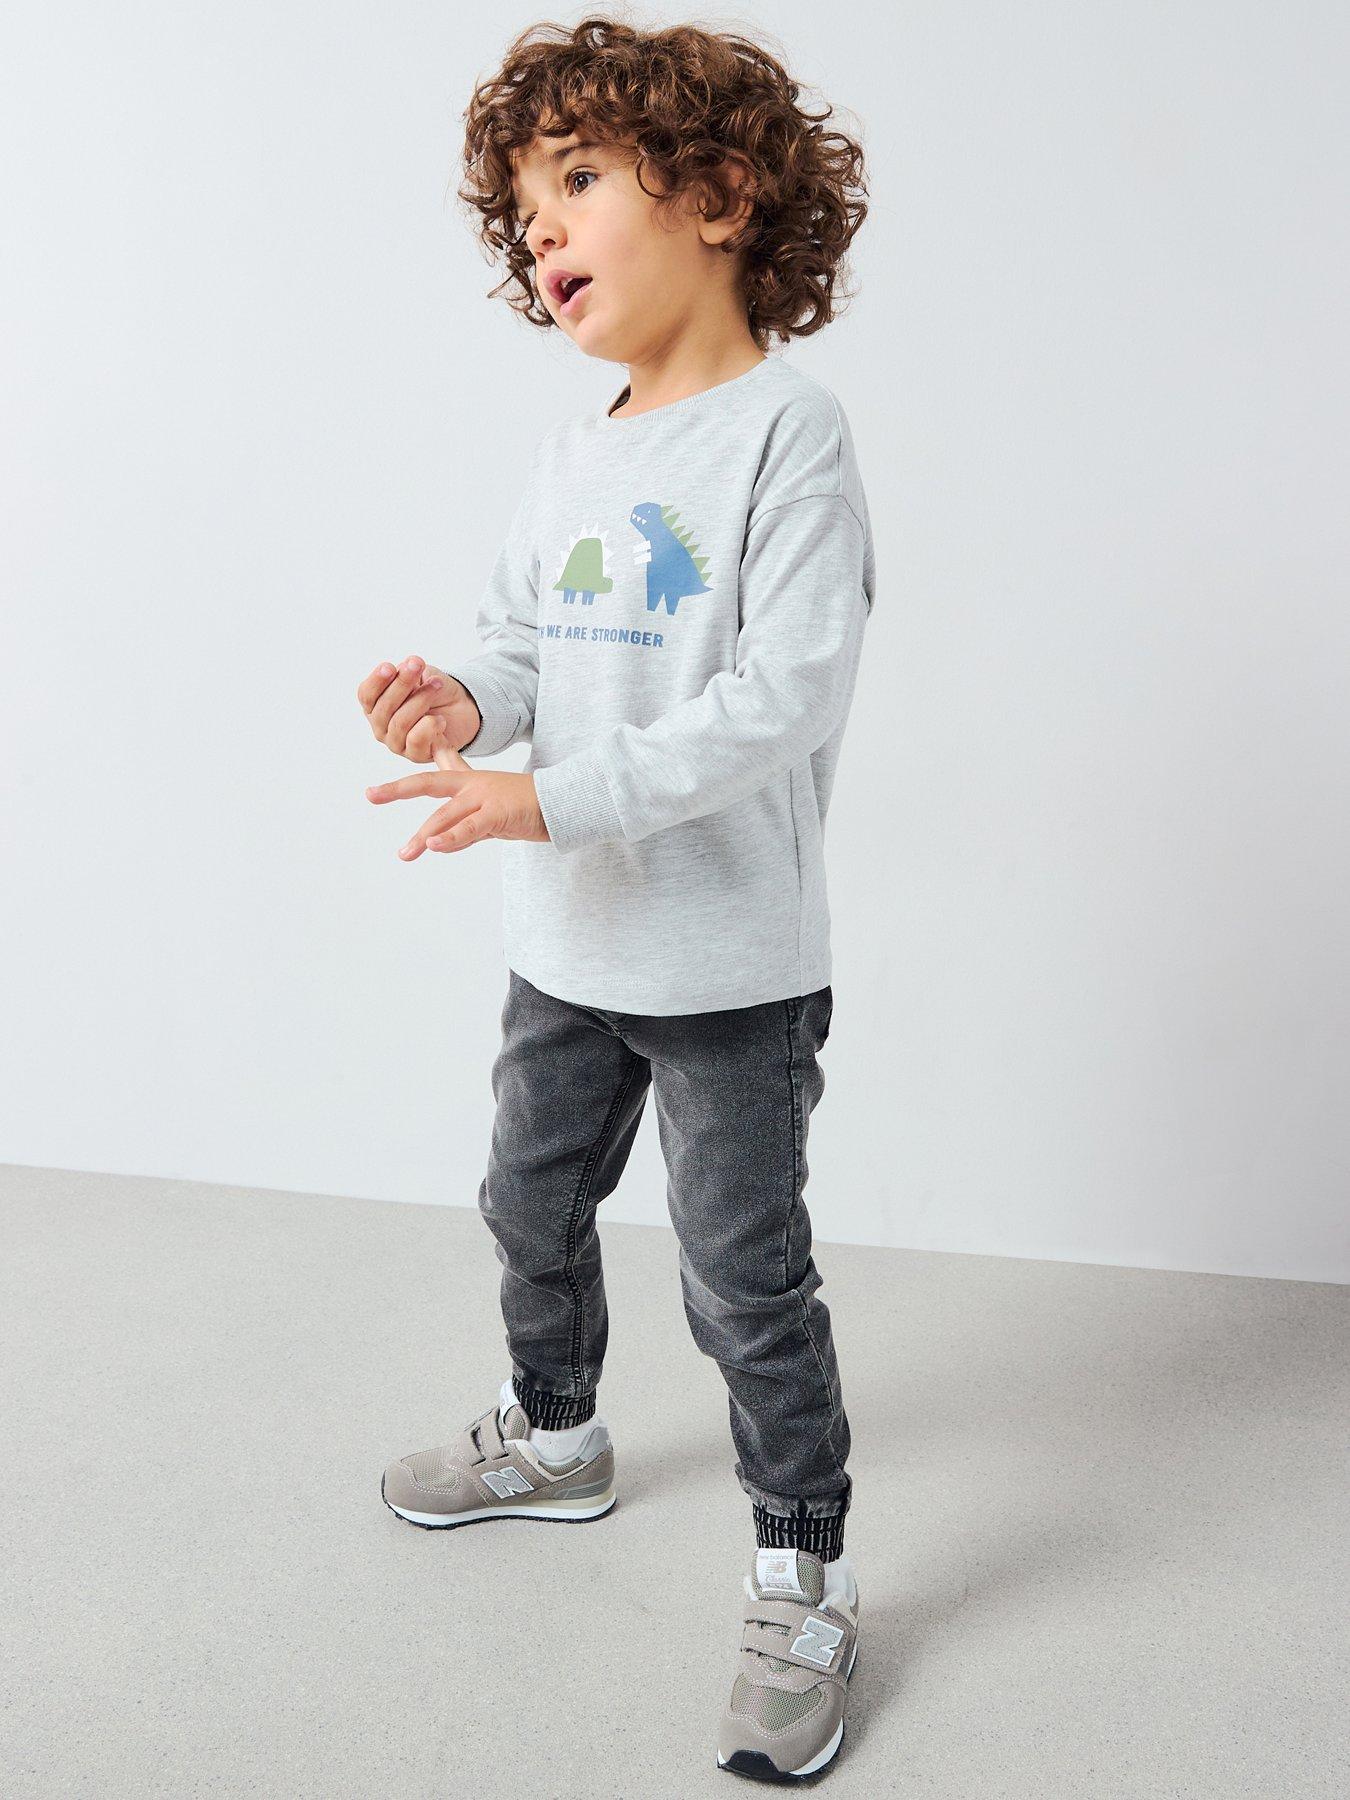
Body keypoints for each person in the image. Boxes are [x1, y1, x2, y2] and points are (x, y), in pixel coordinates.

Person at [357, 18, 874, 1782]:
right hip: (567, 947)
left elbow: (781, 699)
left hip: (727, 971)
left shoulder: (786, 437)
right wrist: (463, 705)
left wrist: (549, 796)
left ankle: (802, 1567)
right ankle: (557, 1437)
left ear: (719, 195)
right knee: (527, 1202)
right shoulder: (574, 457)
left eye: (576, 180)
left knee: (743, 1282)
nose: (542, 230)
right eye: (525, 210)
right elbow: (525, 646)